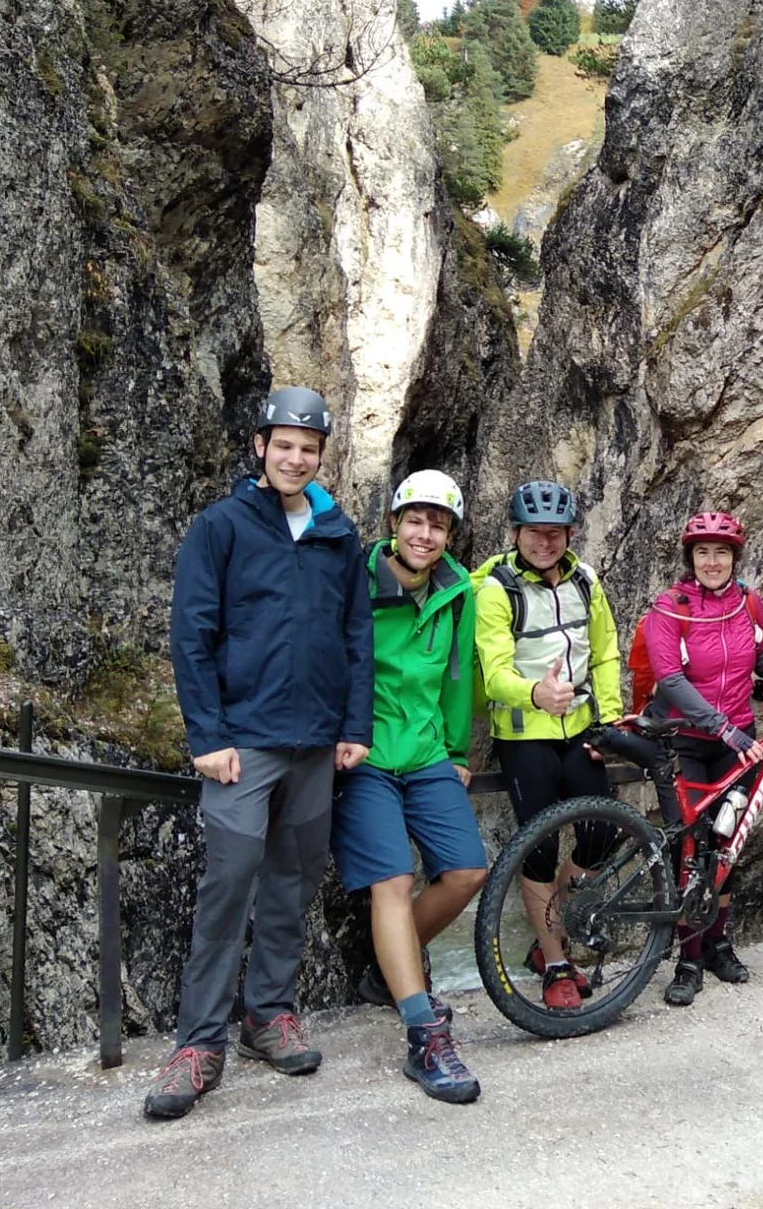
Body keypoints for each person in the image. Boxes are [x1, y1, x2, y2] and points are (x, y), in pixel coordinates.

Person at [145, 387, 373, 1121]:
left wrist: (353, 725)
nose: (295, 458)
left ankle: (268, 1015)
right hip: (244, 742)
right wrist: (208, 737)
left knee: (292, 884)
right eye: (284, 445)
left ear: (320, 456)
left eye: (309, 448)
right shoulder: (222, 526)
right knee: (228, 884)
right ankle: (197, 1043)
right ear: (260, 447)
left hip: (316, 743)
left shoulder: (339, 535)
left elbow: (356, 637)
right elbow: (192, 634)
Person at [331, 470, 486, 1104]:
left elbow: (457, 674)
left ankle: (388, 968)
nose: (425, 535)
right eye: (415, 521)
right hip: (364, 753)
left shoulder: (458, 590)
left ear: (450, 535)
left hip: (425, 753)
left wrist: (457, 751)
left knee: (467, 871)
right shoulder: (358, 576)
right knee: (393, 880)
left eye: (438, 525)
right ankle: (424, 1036)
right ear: (394, 524)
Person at [473, 480, 622, 1012]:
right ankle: (556, 961)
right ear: (516, 533)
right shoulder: (497, 590)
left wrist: (607, 719)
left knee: (602, 833)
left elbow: (604, 651)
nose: (544, 542)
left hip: (579, 728)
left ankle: (549, 932)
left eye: (554, 533)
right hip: (523, 735)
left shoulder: (585, 580)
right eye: (534, 532)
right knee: (538, 847)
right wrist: (536, 692)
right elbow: (494, 671)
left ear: (569, 535)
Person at [643, 511, 763, 1008]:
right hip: (687, 740)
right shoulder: (671, 606)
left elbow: (761, 655)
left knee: (727, 843)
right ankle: (687, 959)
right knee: (693, 847)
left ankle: (716, 943)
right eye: (703, 552)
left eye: (722, 552)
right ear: (690, 558)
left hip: (736, 740)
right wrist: (721, 727)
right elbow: (670, 679)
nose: (712, 562)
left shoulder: (747, 602)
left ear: (735, 558)